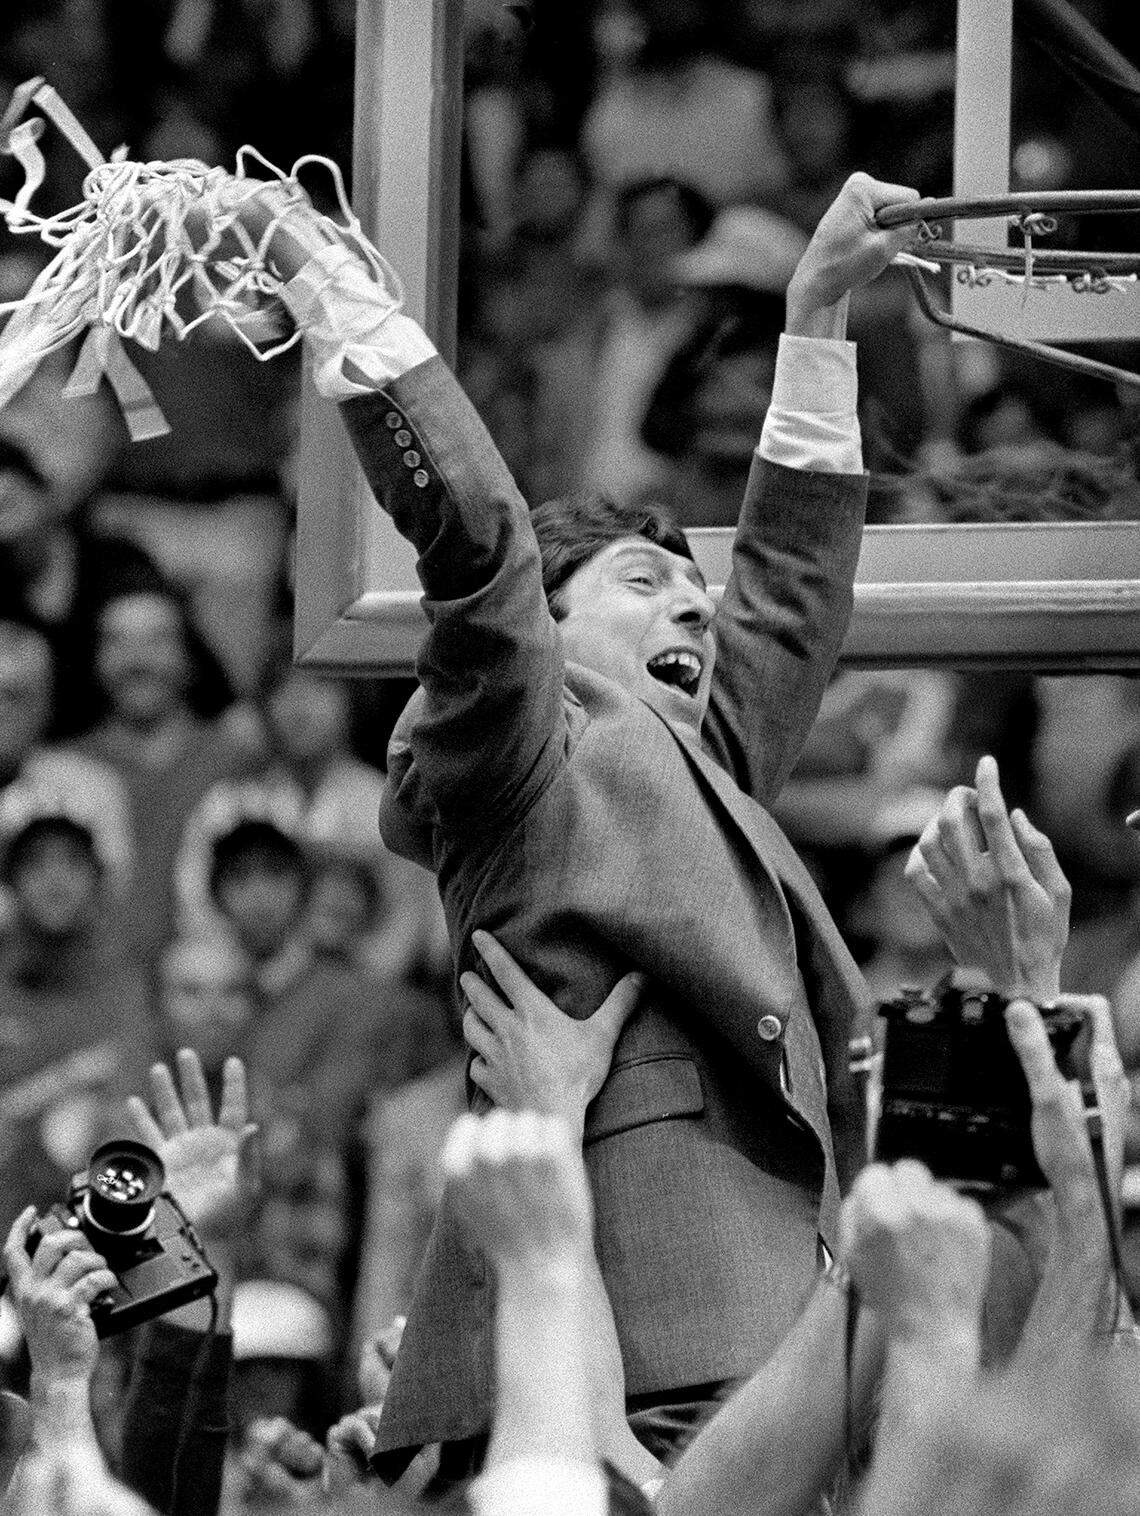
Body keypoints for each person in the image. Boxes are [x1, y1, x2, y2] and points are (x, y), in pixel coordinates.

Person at [226, 166, 920, 1479]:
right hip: (644, 1348)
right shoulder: (524, 754)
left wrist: (818, 310)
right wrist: (332, 291)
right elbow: (480, 548)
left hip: (766, 1342)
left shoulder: (696, 764)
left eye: (693, 594)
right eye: (650, 582)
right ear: (549, 631)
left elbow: (785, 596)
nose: (696, 613)